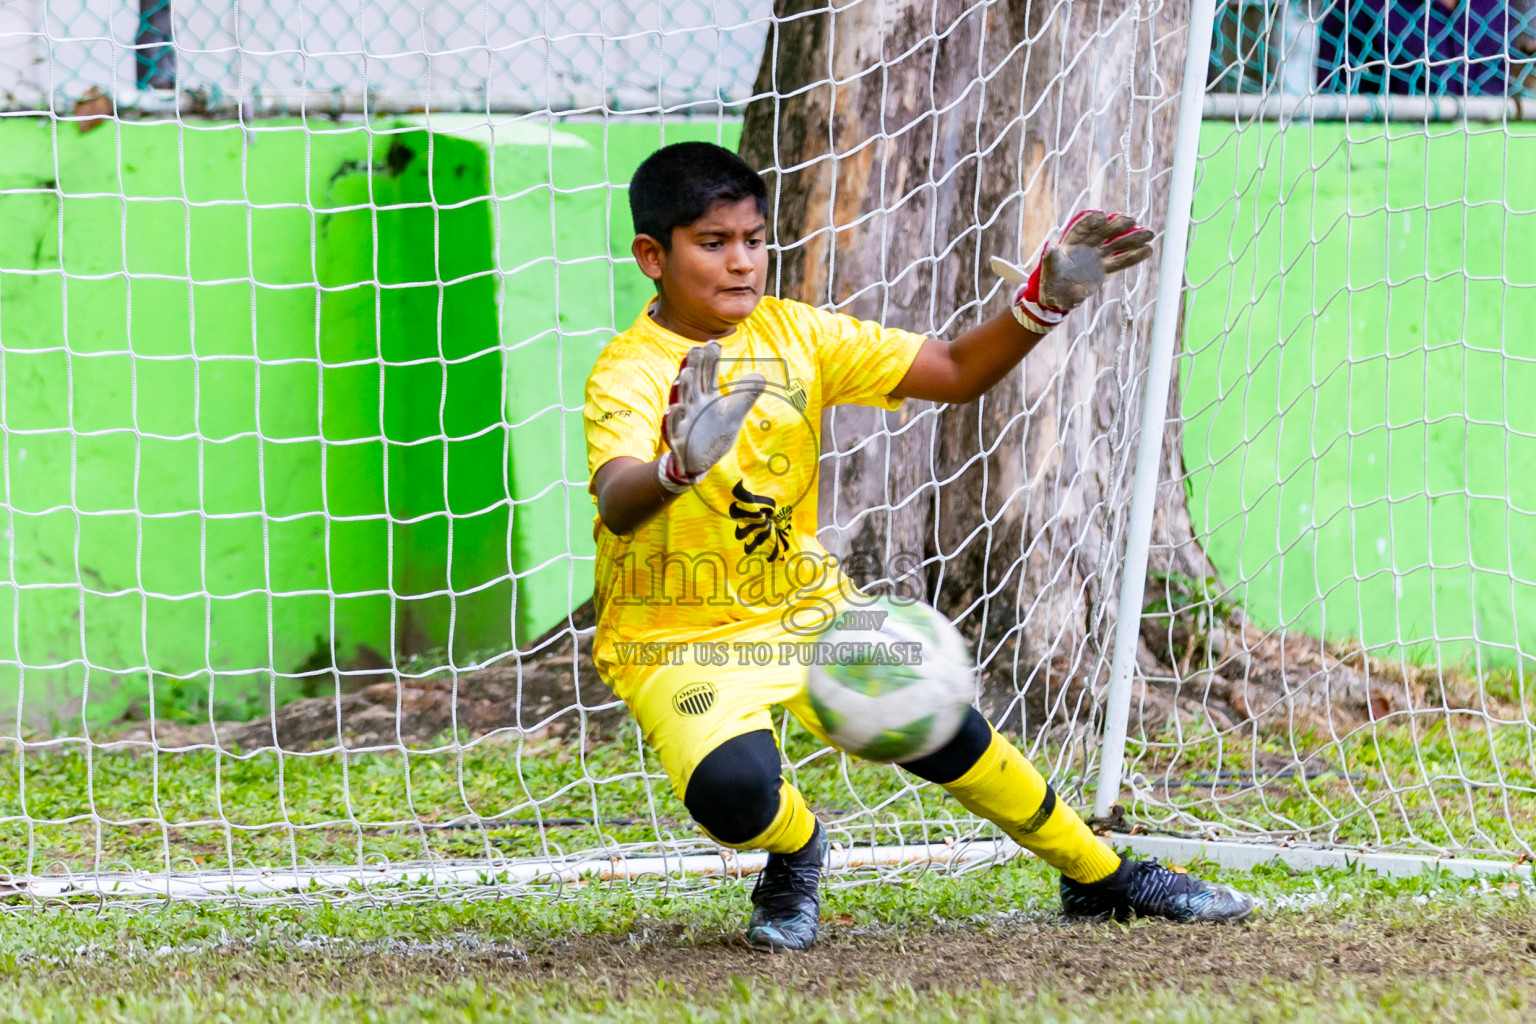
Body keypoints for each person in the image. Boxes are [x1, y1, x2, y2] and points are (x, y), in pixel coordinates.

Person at [582, 141, 1255, 953]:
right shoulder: (626, 373)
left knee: (940, 725)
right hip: (675, 639)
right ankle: (798, 849)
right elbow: (620, 503)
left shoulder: (800, 335)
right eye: (713, 244)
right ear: (653, 256)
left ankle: (1101, 875)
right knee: (732, 795)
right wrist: (676, 465)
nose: (741, 264)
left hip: (804, 607)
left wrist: (1044, 302)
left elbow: (955, 369)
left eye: (754, 240)